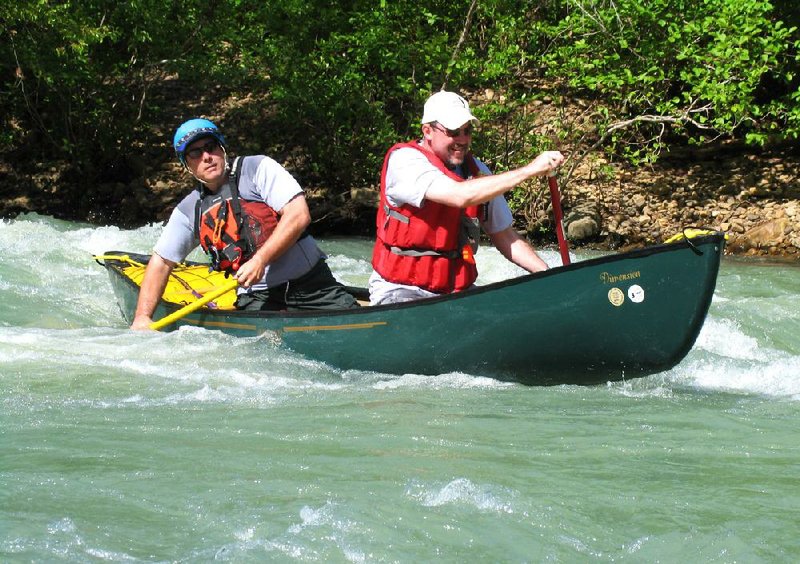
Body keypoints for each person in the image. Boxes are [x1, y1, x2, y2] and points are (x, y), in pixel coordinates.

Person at [131, 118, 358, 329]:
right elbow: (160, 263)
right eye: (195, 153)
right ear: (187, 165)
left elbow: (298, 214)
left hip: (312, 285)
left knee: (352, 319)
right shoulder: (189, 209)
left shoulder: (257, 168)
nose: (206, 157)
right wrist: (142, 317)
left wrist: (260, 259)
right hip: (257, 297)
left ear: (222, 148)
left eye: (211, 146)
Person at [369, 90, 566, 305]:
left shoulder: (477, 172)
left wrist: (550, 277)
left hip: (456, 290)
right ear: (427, 131)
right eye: (453, 131)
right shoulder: (405, 161)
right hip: (401, 288)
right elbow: (459, 195)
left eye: (467, 131)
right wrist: (529, 170)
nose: (462, 139)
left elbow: (505, 236)